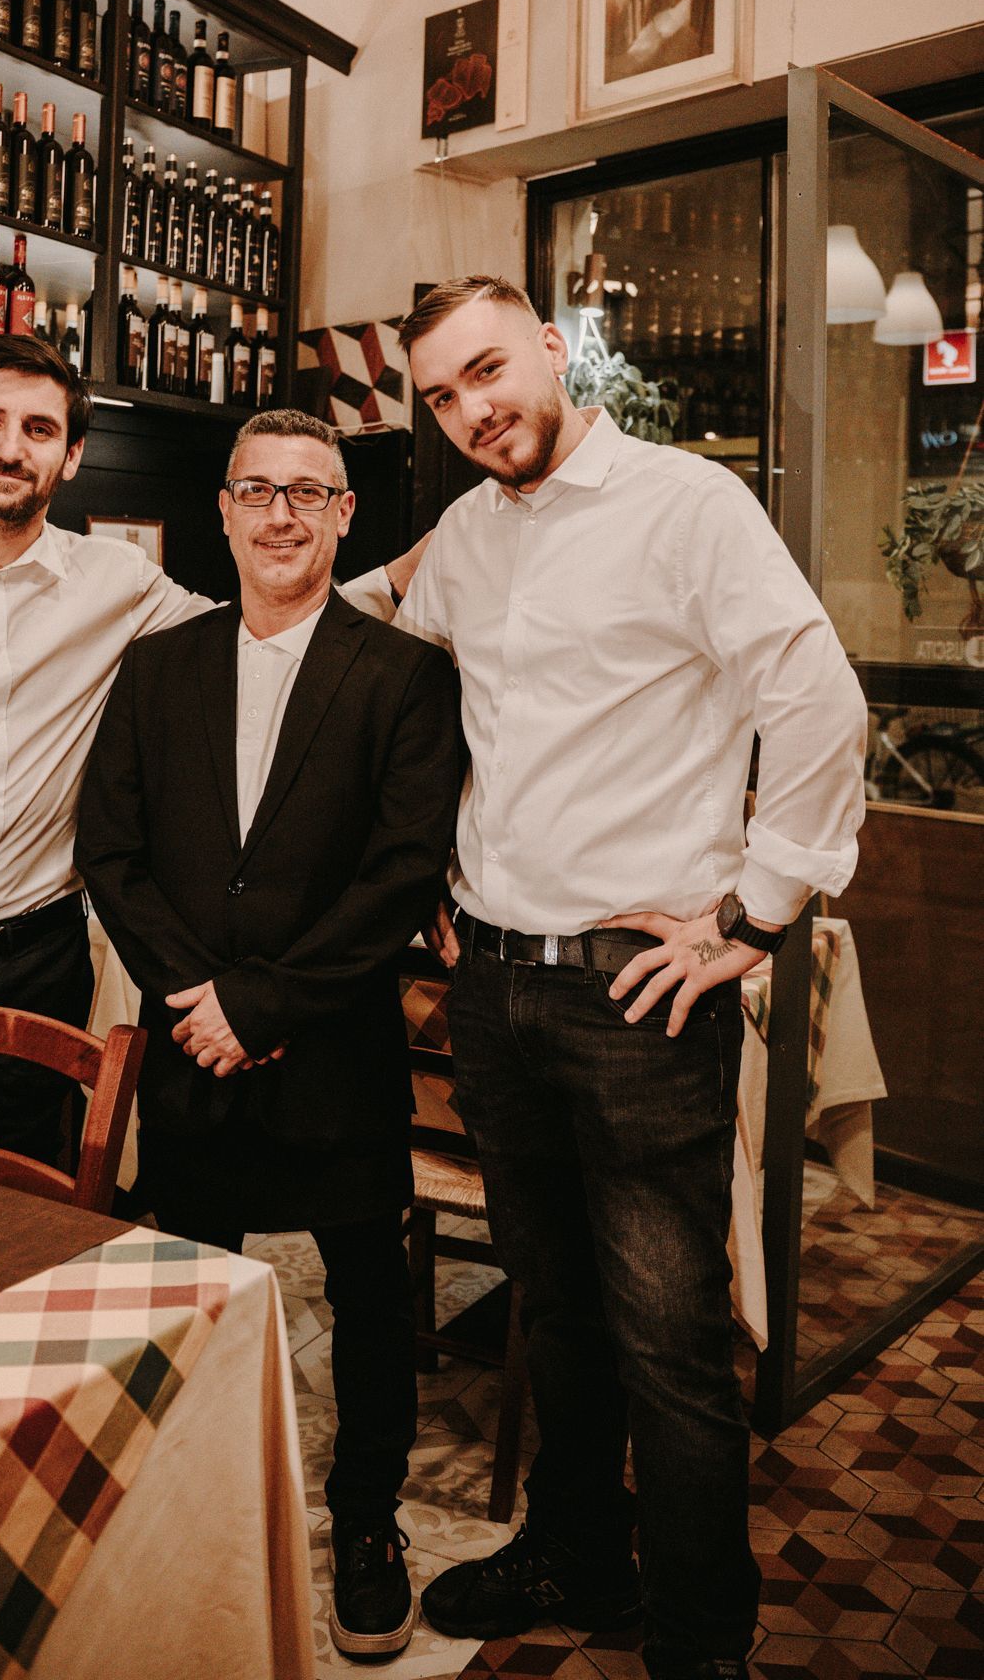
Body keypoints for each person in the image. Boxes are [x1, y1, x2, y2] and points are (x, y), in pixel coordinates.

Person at [392, 278, 867, 1680]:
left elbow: (816, 697)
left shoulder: (685, 506)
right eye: (440, 395)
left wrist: (759, 911)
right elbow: (402, 677)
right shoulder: (466, 539)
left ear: (551, 347)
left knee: (668, 1340)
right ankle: (580, 1555)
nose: (473, 409)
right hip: (490, 982)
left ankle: (700, 1636)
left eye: (488, 370)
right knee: (556, 1311)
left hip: (636, 997)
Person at [0, 338, 416, 1164]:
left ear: (71, 456)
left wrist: (413, 568)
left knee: (26, 1202)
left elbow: (271, 626)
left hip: (42, 960)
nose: (9, 446)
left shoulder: (122, 583)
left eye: (38, 428)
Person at [75, 408, 462, 1660]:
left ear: (348, 514)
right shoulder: (156, 667)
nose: (283, 513)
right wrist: (204, 1003)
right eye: (259, 490)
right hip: (193, 1053)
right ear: (226, 511)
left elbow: (402, 873)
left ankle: (366, 1526)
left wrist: (269, 1004)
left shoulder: (405, 673)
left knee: (368, 1298)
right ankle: (187, 1506)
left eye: (312, 492)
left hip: (334, 1056)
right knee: (189, 1294)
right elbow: (111, 853)